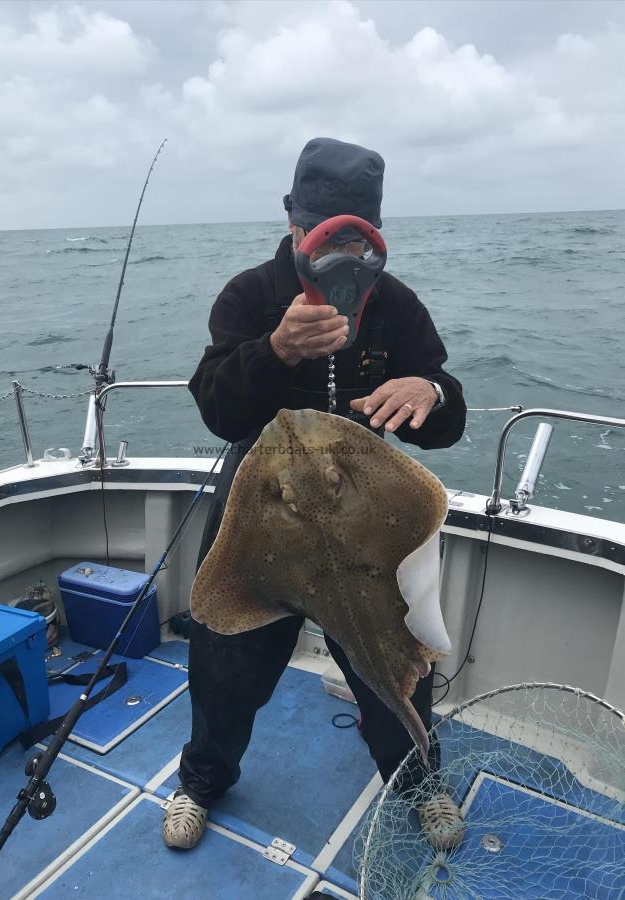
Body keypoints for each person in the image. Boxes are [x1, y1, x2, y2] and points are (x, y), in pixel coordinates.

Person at [162, 137, 467, 851]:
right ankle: (201, 779)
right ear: (293, 223)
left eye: (359, 240)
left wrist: (429, 389)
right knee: (224, 658)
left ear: (374, 236)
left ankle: (419, 781)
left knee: (394, 658)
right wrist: (274, 352)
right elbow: (218, 409)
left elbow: (443, 421)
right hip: (262, 509)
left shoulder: (393, 305)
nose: (341, 257)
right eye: (322, 235)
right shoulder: (249, 294)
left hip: (364, 517)